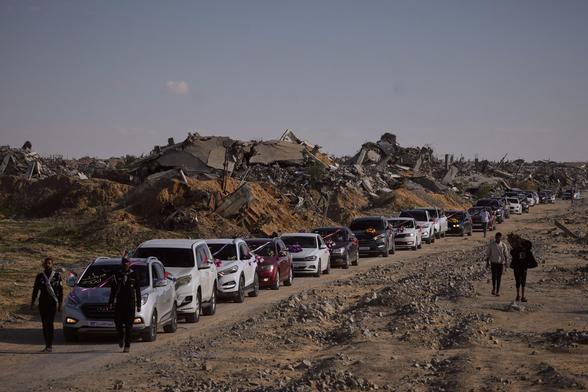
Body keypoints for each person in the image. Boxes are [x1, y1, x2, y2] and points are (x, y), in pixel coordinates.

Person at [108, 257, 141, 353]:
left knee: (129, 326)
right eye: (124, 263)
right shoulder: (117, 275)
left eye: (127, 263)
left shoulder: (134, 275)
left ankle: (127, 345)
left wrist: (138, 305)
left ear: (129, 264)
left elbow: (138, 291)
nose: (125, 264)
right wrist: (110, 302)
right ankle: (120, 337)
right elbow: (113, 290)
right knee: (118, 323)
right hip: (119, 303)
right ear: (122, 264)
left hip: (130, 304)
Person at [31, 257, 63, 352]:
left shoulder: (57, 276)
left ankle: (50, 345)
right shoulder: (40, 276)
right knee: (44, 324)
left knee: (50, 324)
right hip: (42, 303)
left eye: (49, 263)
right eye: (46, 263)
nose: (47, 265)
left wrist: (60, 304)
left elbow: (60, 291)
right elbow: (35, 290)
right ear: (43, 265)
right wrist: (33, 302)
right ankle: (47, 345)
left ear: (52, 264)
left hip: (52, 303)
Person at [508, 234, 536, 302]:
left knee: (518, 282)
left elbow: (512, 253)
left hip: (517, 268)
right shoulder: (525, 251)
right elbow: (534, 263)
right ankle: (522, 296)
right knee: (522, 282)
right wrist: (527, 266)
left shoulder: (516, 251)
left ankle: (518, 296)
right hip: (523, 268)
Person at [486, 232, 509, 296]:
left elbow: (506, 254)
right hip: (493, 262)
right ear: (495, 237)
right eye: (497, 237)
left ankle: (498, 291)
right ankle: (494, 288)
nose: (498, 238)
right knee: (494, 277)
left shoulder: (503, 245)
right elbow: (488, 254)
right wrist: (487, 262)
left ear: (500, 238)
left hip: (500, 263)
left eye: (499, 237)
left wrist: (506, 263)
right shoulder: (491, 244)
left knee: (499, 277)